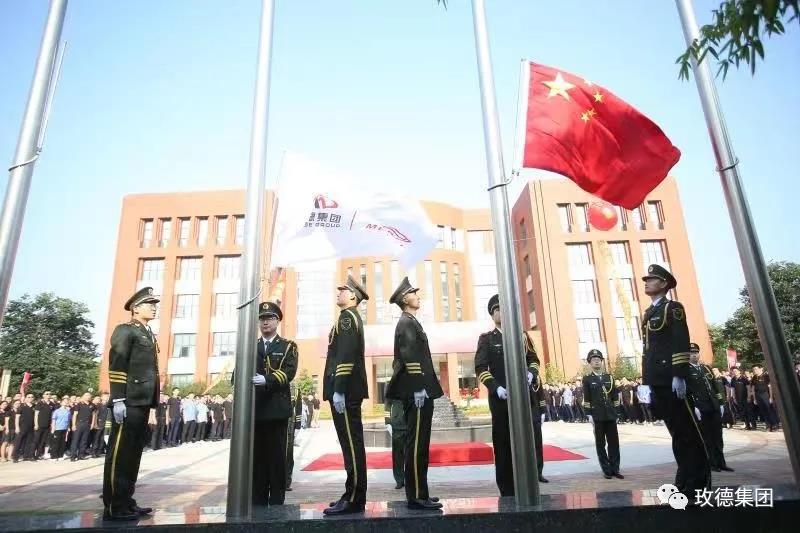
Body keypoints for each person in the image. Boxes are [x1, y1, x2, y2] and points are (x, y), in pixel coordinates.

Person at [641, 264, 710, 498]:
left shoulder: (673, 308)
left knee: (688, 432)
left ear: (663, 283)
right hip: (658, 380)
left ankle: (698, 483)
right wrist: (647, 380)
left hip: (672, 380)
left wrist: (678, 374)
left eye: (651, 279)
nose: (647, 282)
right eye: (646, 280)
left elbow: (681, 340)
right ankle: (685, 478)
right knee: (677, 433)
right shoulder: (649, 312)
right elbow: (648, 350)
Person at [475, 293, 548, 497]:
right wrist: (495, 387)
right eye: (498, 310)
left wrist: (531, 373)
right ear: (492, 315)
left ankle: (530, 483)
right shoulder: (487, 339)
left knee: (528, 442)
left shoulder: (522, 336)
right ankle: (507, 490)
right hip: (501, 400)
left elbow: (534, 360)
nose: (502, 313)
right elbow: (480, 367)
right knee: (503, 444)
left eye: (504, 309)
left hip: (524, 398)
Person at [386, 276, 444, 511]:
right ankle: (417, 496)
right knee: (416, 445)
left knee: (420, 445)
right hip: (416, 391)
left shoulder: (411, 322)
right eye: (413, 293)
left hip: (419, 390)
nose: (418, 296)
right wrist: (419, 386)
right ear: (404, 299)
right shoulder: (406, 323)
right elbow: (409, 355)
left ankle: (422, 493)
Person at [102, 286, 161, 521]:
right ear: (135, 308)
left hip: (142, 401)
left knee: (133, 454)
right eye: (149, 304)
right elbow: (117, 363)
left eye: (155, 305)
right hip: (128, 401)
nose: (154, 308)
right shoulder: (125, 330)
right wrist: (118, 399)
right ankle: (114, 506)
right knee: (120, 454)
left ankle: (127, 501)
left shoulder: (148, 334)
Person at [323, 275, 370, 516]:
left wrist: (339, 389)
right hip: (347, 389)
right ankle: (351, 494)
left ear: (352, 295)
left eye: (343, 290)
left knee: (351, 445)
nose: (338, 293)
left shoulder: (347, 318)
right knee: (350, 444)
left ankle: (354, 498)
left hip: (346, 390)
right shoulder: (348, 317)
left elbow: (346, 355)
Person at [247, 301, 299, 506]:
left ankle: (277, 500)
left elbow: (289, 371)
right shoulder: (251, 346)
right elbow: (238, 373)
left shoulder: (287, 346)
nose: (265, 322)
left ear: (277, 321)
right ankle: (258, 499)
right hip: (256, 409)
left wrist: (267, 380)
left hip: (276, 409)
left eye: (269, 318)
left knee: (277, 456)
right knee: (257, 457)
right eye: (262, 319)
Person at [686, 343, 732, 473]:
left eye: (696, 352)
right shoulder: (687, 371)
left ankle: (721, 463)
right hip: (701, 407)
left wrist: (721, 402)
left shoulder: (706, 368)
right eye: (691, 353)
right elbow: (688, 391)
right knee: (707, 437)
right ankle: (712, 463)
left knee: (718, 436)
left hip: (713, 405)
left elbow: (715, 386)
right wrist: (694, 406)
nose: (694, 355)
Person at [582, 349, 622, 480]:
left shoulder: (609, 377)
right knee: (600, 444)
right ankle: (606, 470)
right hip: (597, 416)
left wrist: (617, 413)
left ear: (602, 361)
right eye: (594, 359)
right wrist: (588, 414)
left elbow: (615, 396)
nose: (596, 361)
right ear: (590, 363)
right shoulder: (587, 379)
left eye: (598, 359)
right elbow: (587, 398)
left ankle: (615, 469)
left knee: (614, 443)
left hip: (610, 415)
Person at [385, 398, 407, 490]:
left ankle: (410, 480)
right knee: (397, 456)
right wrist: (387, 422)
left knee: (410, 456)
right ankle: (399, 480)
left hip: (409, 424)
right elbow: (387, 405)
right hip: (396, 426)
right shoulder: (392, 389)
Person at [751, 364, 779, 431]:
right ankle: (768, 425)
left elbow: (770, 387)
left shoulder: (766, 376)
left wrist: (771, 397)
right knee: (763, 411)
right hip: (758, 395)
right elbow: (753, 389)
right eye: (753, 370)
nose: (754, 371)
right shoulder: (754, 377)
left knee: (770, 410)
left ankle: (774, 425)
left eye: (756, 369)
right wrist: (754, 399)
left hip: (766, 394)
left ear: (761, 369)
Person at [285, 383, 302, 491]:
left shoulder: (294, 388)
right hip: (276, 423)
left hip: (289, 425)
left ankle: (286, 482)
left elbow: (298, 406)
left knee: (288, 455)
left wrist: (297, 425)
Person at [70, 392, 95, 461]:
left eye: (89, 395)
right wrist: (73, 425)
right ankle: (73, 456)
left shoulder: (92, 405)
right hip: (79, 424)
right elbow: (74, 415)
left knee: (84, 441)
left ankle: (81, 455)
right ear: (83, 396)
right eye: (86, 395)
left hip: (87, 424)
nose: (88, 397)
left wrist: (92, 424)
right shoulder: (79, 404)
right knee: (75, 440)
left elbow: (94, 415)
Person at [13, 393, 36, 462]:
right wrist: (17, 427)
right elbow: (17, 417)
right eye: (29, 397)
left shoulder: (34, 406)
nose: (30, 398)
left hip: (31, 427)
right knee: (18, 442)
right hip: (22, 427)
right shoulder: (21, 406)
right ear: (25, 398)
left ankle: (26, 456)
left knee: (29, 442)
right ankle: (15, 457)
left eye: (32, 397)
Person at [33, 391, 54, 460]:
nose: (48, 395)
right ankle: (32, 455)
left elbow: (52, 415)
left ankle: (38, 455)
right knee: (36, 440)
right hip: (39, 425)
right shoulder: (40, 403)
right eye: (47, 394)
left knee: (42, 441)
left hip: (47, 426)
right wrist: (36, 424)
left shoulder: (52, 404)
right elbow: (36, 414)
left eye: (50, 394)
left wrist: (51, 424)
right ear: (43, 395)